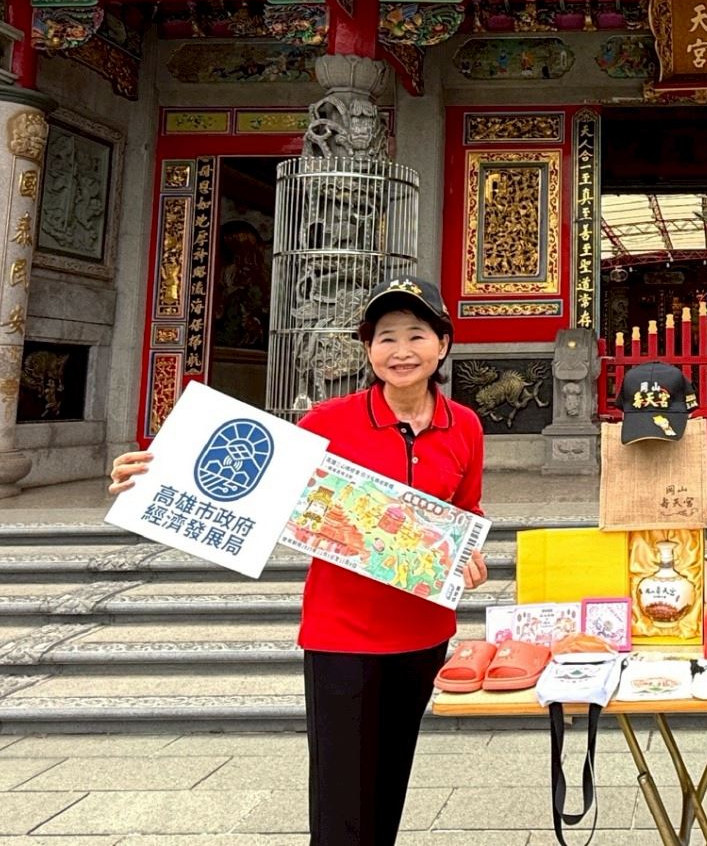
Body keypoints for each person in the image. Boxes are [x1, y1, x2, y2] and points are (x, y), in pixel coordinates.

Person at [109, 276, 487, 846]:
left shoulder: (466, 426)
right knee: (341, 803)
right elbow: (252, 478)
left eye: (417, 335)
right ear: (367, 349)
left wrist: (467, 555)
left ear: (443, 344)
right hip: (342, 636)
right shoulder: (327, 423)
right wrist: (149, 476)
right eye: (385, 338)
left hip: (423, 632)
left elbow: (466, 509)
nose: (401, 351)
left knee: (388, 786)